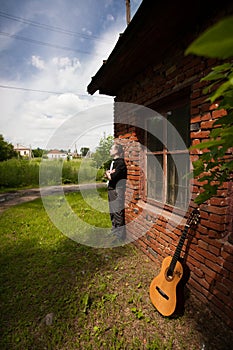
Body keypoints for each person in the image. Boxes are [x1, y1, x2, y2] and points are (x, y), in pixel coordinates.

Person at [105, 142, 127, 242]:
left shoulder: (121, 163)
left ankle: (120, 236)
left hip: (117, 189)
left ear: (117, 151)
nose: (110, 150)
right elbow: (109, 176)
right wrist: (108, 174)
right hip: (111, 188)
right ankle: (114, 229)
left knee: (118, 211)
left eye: (111, 149)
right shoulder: (113, 162)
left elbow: (113, 177)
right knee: (112, 211)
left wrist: (109, 174)